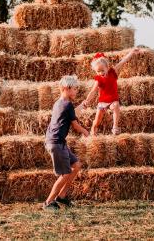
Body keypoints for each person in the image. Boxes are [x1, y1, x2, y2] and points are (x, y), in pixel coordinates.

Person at [44, 75, 89, 210]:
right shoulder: (67, 104)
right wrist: (85, 132)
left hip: (56, 141)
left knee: (76, 165)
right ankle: (48, 202)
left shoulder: (59, 103)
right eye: (74, 89)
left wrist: (81, 106)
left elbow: (70, 115)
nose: (76, 91)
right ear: (66, 88)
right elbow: (75, 125)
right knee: (66, 173)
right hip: (56, 142)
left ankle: (62, 196)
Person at [79, 48, 140, 135]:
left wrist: (131, 53)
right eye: (98, 71)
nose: (100, 73)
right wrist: (87, 100)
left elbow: (123, 61)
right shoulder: (98, 79)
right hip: (102, 102)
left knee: (116, 105)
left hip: (112, 100)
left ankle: (115, 127)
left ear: (107, 67)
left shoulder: (112, 72)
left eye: (102, 70)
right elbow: (93, 91)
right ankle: (93, 127)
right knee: (97, 121)